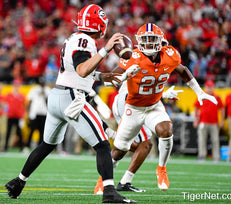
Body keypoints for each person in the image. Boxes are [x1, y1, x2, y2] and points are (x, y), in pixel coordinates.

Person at [5, 4, 136, 203]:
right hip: (72, 97)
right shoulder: (86, 40)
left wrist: (105, 75)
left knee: (47, 144)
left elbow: (79, 71)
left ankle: (19, 181)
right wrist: (106, 49)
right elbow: (82, 70)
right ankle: (109, 192)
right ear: (98, 24)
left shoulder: (75, 38)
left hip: (58, 95)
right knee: (102, 145)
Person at [109, 23, 217, 191]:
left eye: (153, 39)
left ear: (161, 41)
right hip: (133, 108)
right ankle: (104, 178)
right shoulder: (133, 57)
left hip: (153, 105)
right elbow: (113, 78)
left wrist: (198, 91)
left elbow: (182, 70)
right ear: (138, 41)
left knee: (165, 130)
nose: (149, 43)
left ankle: (161, 169)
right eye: (145, 40)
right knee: (121, 148)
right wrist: (124, 76)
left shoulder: (170, 54)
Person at [193, 80, 225, 162]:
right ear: (205, 87)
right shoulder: (202, 96)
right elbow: (196, 107)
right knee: (201, 140)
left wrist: (222, 121)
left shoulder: (217, 97)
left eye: (211, 87)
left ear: (213, 87)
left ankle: (216, 157)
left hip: (214, 122)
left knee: (215, 140)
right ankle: (201, 155)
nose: (210, 88)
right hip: (203, 121)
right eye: (208, 87)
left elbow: (222, 108)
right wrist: (196, 119)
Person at [24, 77, 51, 151]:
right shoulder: (34, 89)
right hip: (35, 113)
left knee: (42, 132)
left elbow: (49, 102)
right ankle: (27, 146)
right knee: (31, 130)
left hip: (44, 113)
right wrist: (27, 112)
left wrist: (45, 95)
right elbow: (29, 101)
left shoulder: (47, 90)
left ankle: (40, 148)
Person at [3, 79, 26, 152]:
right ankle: (5, 147)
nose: (16, 87)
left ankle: (21, 148)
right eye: (15, 85)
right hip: (11, 116)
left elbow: (24, 106)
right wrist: (6, 112)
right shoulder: (9, 95)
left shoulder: (21, 96)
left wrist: (22, 116)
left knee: (19, 133)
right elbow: (5, 104)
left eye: (18, 85)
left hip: (18, 117)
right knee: (8, 132)